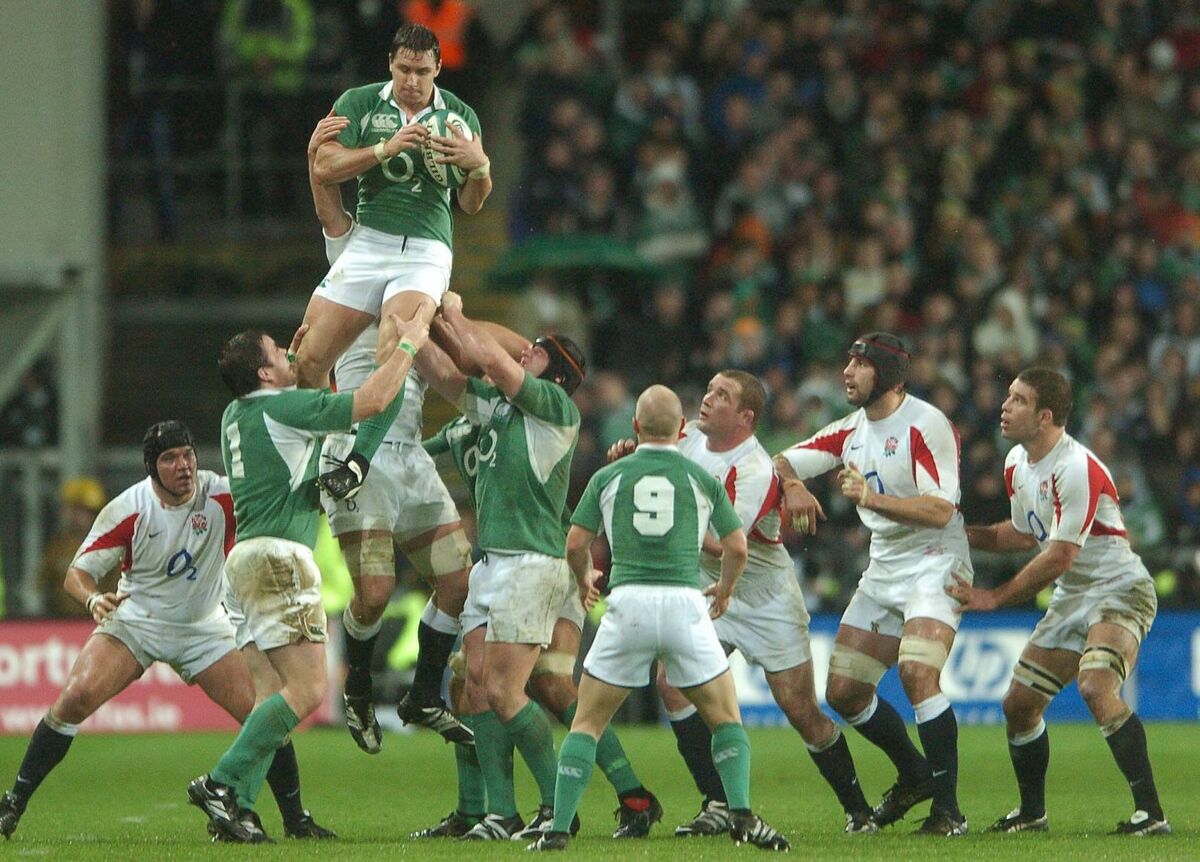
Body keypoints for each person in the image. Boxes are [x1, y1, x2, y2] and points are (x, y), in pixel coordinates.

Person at [0, 422, 330, 842]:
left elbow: (274, 496)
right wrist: (92, 600)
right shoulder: (129, 508)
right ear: (151, 469)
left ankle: (296, 820)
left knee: (262, 714)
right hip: (139, 620)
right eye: (170, 459)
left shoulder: (222, 494)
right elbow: (77, 573)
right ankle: (13, 803)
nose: (184, 465)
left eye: (188, 454)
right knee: (76, 696)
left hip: (205, 625)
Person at [186, 312, 426, 842]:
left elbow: (297, 426)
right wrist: (407, 346)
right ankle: (221, 782)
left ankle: (239, 809)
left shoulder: (234, 414)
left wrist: (300, 365)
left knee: (270, 693)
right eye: (278, 352)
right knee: (309, 690)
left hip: (243, 561)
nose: (289, 353)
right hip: (279, 558)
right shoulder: (285, 407)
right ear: (265, 375)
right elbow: (372, 402)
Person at [608, 370, 873, 835]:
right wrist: (636, 459)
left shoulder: (752, 470)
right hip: (711, 592)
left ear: (745, 417)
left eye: (721, 395)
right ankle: (716, 802)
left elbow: (722, 542)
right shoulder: (684, 435)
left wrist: (669, 520)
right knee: (671, 684)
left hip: (763, 595)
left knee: (800, 711)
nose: (707, 399)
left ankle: (859, 810)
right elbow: (655, 472)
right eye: (708, 389)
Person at [530, 385, 788, 852]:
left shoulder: (609, 477)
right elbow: (737, 546)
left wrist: (586, 575)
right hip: (684, 605)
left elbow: (574, 543)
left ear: (634, 428)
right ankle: (743, 816)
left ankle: (557, 830)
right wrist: (725, 591)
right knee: (725, 718)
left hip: (627, 605)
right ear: (682, 430)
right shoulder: (699, 477)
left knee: (586, 723)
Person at [303, 111, 473, 751]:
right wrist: (317, 158)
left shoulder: (430, 273)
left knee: (458, 583)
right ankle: (355, 687)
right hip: (358, 453)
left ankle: (424, 693)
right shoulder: (356, 255)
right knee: (373, 591)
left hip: (407, 458)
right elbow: (329, 208)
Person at [412, 415, 661, 840]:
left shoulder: (525, 417)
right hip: (507, 564)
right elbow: (411, 448)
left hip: (548, 559)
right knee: (476, 683)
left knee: (538, 684)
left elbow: (565, 465)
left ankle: (561, 804)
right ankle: (480, 811)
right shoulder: (460, 428)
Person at [947, 367, 1170, 836]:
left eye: (1018, 400)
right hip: (1074, 595)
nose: (1005, 406)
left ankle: (1151, 813)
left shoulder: (1076, 467)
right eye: (1007, 396)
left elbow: (1061, 555)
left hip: (1119, 586)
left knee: (1094, 685)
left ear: (1045, 415)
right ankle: (1032, 815)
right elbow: (1024, 534)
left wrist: (995, 596)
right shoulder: (1016, 463)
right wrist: (959, 533)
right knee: (1019, 705)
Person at [774, 332, 973, 836]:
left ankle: (948, 810)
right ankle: (915, 774)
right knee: (843, 691)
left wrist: (872, 498)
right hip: (885, 565)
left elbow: (941, 508)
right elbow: (779, 460)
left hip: (935, 558)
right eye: (848, 362)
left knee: (916, 674)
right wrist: (794, 485)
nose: (847, 372)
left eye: (859, 364)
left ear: (885, 373)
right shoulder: (850, 430)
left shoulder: (926, 425)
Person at [300, 22, 492, 502]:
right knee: (309, 358)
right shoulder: (361, 103)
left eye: (422, 71)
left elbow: (471, 203)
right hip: (369, 240)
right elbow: (323, 168)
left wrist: (480, 167)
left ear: (438, 69)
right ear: (390, 64)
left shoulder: (459, 116)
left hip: (426, 249)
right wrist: (384, 148)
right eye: (404, 69)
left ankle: (358, 460)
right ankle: (315, 447)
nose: (412, 80)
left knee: (395, 340)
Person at [433, 292, 586, 840]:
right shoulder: (501, 409)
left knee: (504, 690)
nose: (527, 353)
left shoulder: (555, 409)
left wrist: (450, 311)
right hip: (490, 562)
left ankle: (557, 806)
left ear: (560, 373)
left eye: (540, 351)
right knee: (473, 686)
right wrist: (413, 323)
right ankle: (502, 812)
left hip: (530, 562)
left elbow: (493, 358)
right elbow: (448, 376)